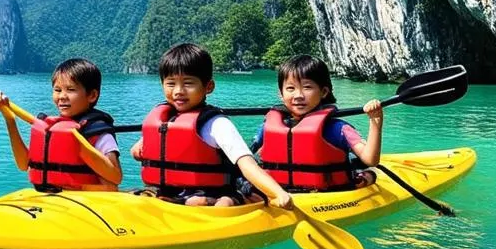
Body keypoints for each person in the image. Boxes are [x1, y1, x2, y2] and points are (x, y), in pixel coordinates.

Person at [130, 43, 292, 208]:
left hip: (215, 195)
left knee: (202, 202)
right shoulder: (165, 121)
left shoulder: (217, 124)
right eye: (171, 84)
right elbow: (141, 151)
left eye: (188, 83)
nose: (178, 91)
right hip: (169, 194)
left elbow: (247, 164)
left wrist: (278, 193)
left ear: (208, 87)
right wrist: (140, 148)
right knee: (136, 197)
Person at [252, 54, 383, 191]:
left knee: (361, 171)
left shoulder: (338, 129)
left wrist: (375, 121)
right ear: (281, 93)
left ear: (324, 92)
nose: (298, 95)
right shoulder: (266, 127)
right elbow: (244, 158)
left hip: (329, 194)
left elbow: (370, 159)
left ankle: (364, 176)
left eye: (307, 87)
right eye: (290, 88)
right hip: (279, 193)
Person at [0, 57, 122, 191]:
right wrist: (10, 119)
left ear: (92, 95)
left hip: (87, 201)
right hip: (51, 199)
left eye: (71, 90)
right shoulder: (52, 128)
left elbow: (115, 177)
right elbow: (23, 164)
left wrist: (79, 147)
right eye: (57, 90)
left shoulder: (97, 131)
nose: (62, 96)